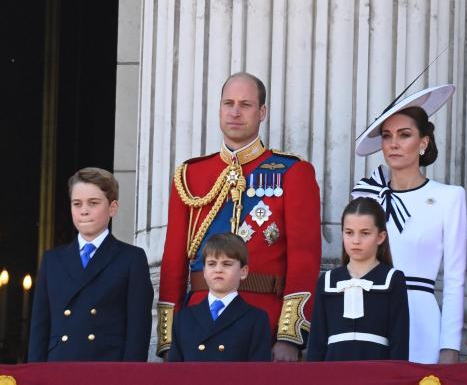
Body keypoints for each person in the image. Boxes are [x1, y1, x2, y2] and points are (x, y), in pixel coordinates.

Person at [157, 72, 321, 361]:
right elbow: (173, 262)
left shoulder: (292, 172)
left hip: (263, 320)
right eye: (228, 103)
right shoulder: (190, 175)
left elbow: (304, 259)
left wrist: (289, 336)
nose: (235, 112)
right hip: (197, 322)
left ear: (262, 112)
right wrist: (170, 338)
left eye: (245, 104)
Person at [351, 84, 466, 364]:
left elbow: (454, 279)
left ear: (423, 142)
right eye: (387, 136)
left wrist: (449, 345)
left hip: (421, 318)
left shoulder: (449, 197)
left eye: (404, 135)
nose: (394, 144)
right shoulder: (365, 195)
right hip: (368, 313)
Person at [28, 168, 153, 362]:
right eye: (77, 204)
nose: (84, 210)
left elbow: (138, 330)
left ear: (112, 208)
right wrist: (35, 376)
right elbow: (39, 328)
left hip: (107, 369)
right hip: (58, 368)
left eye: (93, 203)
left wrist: (130, 377)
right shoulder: (52, 260)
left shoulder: (131, 258)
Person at [306, 198, 409, 361]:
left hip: (378, 374)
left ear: (381, 237)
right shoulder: (327, 281)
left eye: (365, 233)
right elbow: (316, 343)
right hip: (333, 374)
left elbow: (399, 342)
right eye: (349, 232)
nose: (356, 241)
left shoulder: (393, 279)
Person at [167, 233, 272, 361]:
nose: (218, 269)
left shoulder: (256, 319)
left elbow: (259, 375)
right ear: (204, 271)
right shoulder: (183, 319)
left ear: (243, 272)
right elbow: (174, 375)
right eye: (211, 264)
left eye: (227, 264)